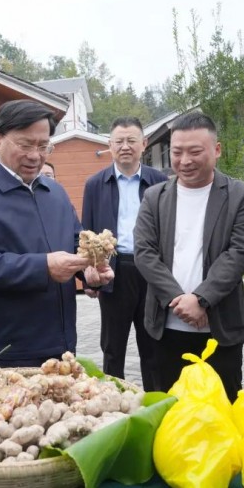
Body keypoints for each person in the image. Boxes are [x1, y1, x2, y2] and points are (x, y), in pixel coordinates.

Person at [0, 100, 112, 369]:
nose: (35, 155)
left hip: (63, 344)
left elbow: (75, 241)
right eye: (25, 145)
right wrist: (44, 267)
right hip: (7, 350)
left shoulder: (54, 191)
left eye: (44, 146)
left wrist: (89, 270)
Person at [133, 112, 244, 402]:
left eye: (195, 151)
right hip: (165, 327)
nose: (185, 160)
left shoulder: (240, 195)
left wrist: (201, 299)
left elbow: (240, 252)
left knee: (221, 408)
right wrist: (178, 299)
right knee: (168, 408)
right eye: (177, 152)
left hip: (220, 328)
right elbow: (145, 252)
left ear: (216, 150)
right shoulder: (154, 197)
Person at [81, 117, 167, 390]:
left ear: (144, 143)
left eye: (131, 140)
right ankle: (112, 400)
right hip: (114, 272)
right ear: (110, 145)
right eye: (119, 141)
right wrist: (89, 276)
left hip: (151, 271)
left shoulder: (160, 182)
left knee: (153, 346)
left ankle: (155, 400)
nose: (125, 146)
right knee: (112, 347)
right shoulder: (95, 184)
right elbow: (87, 232)